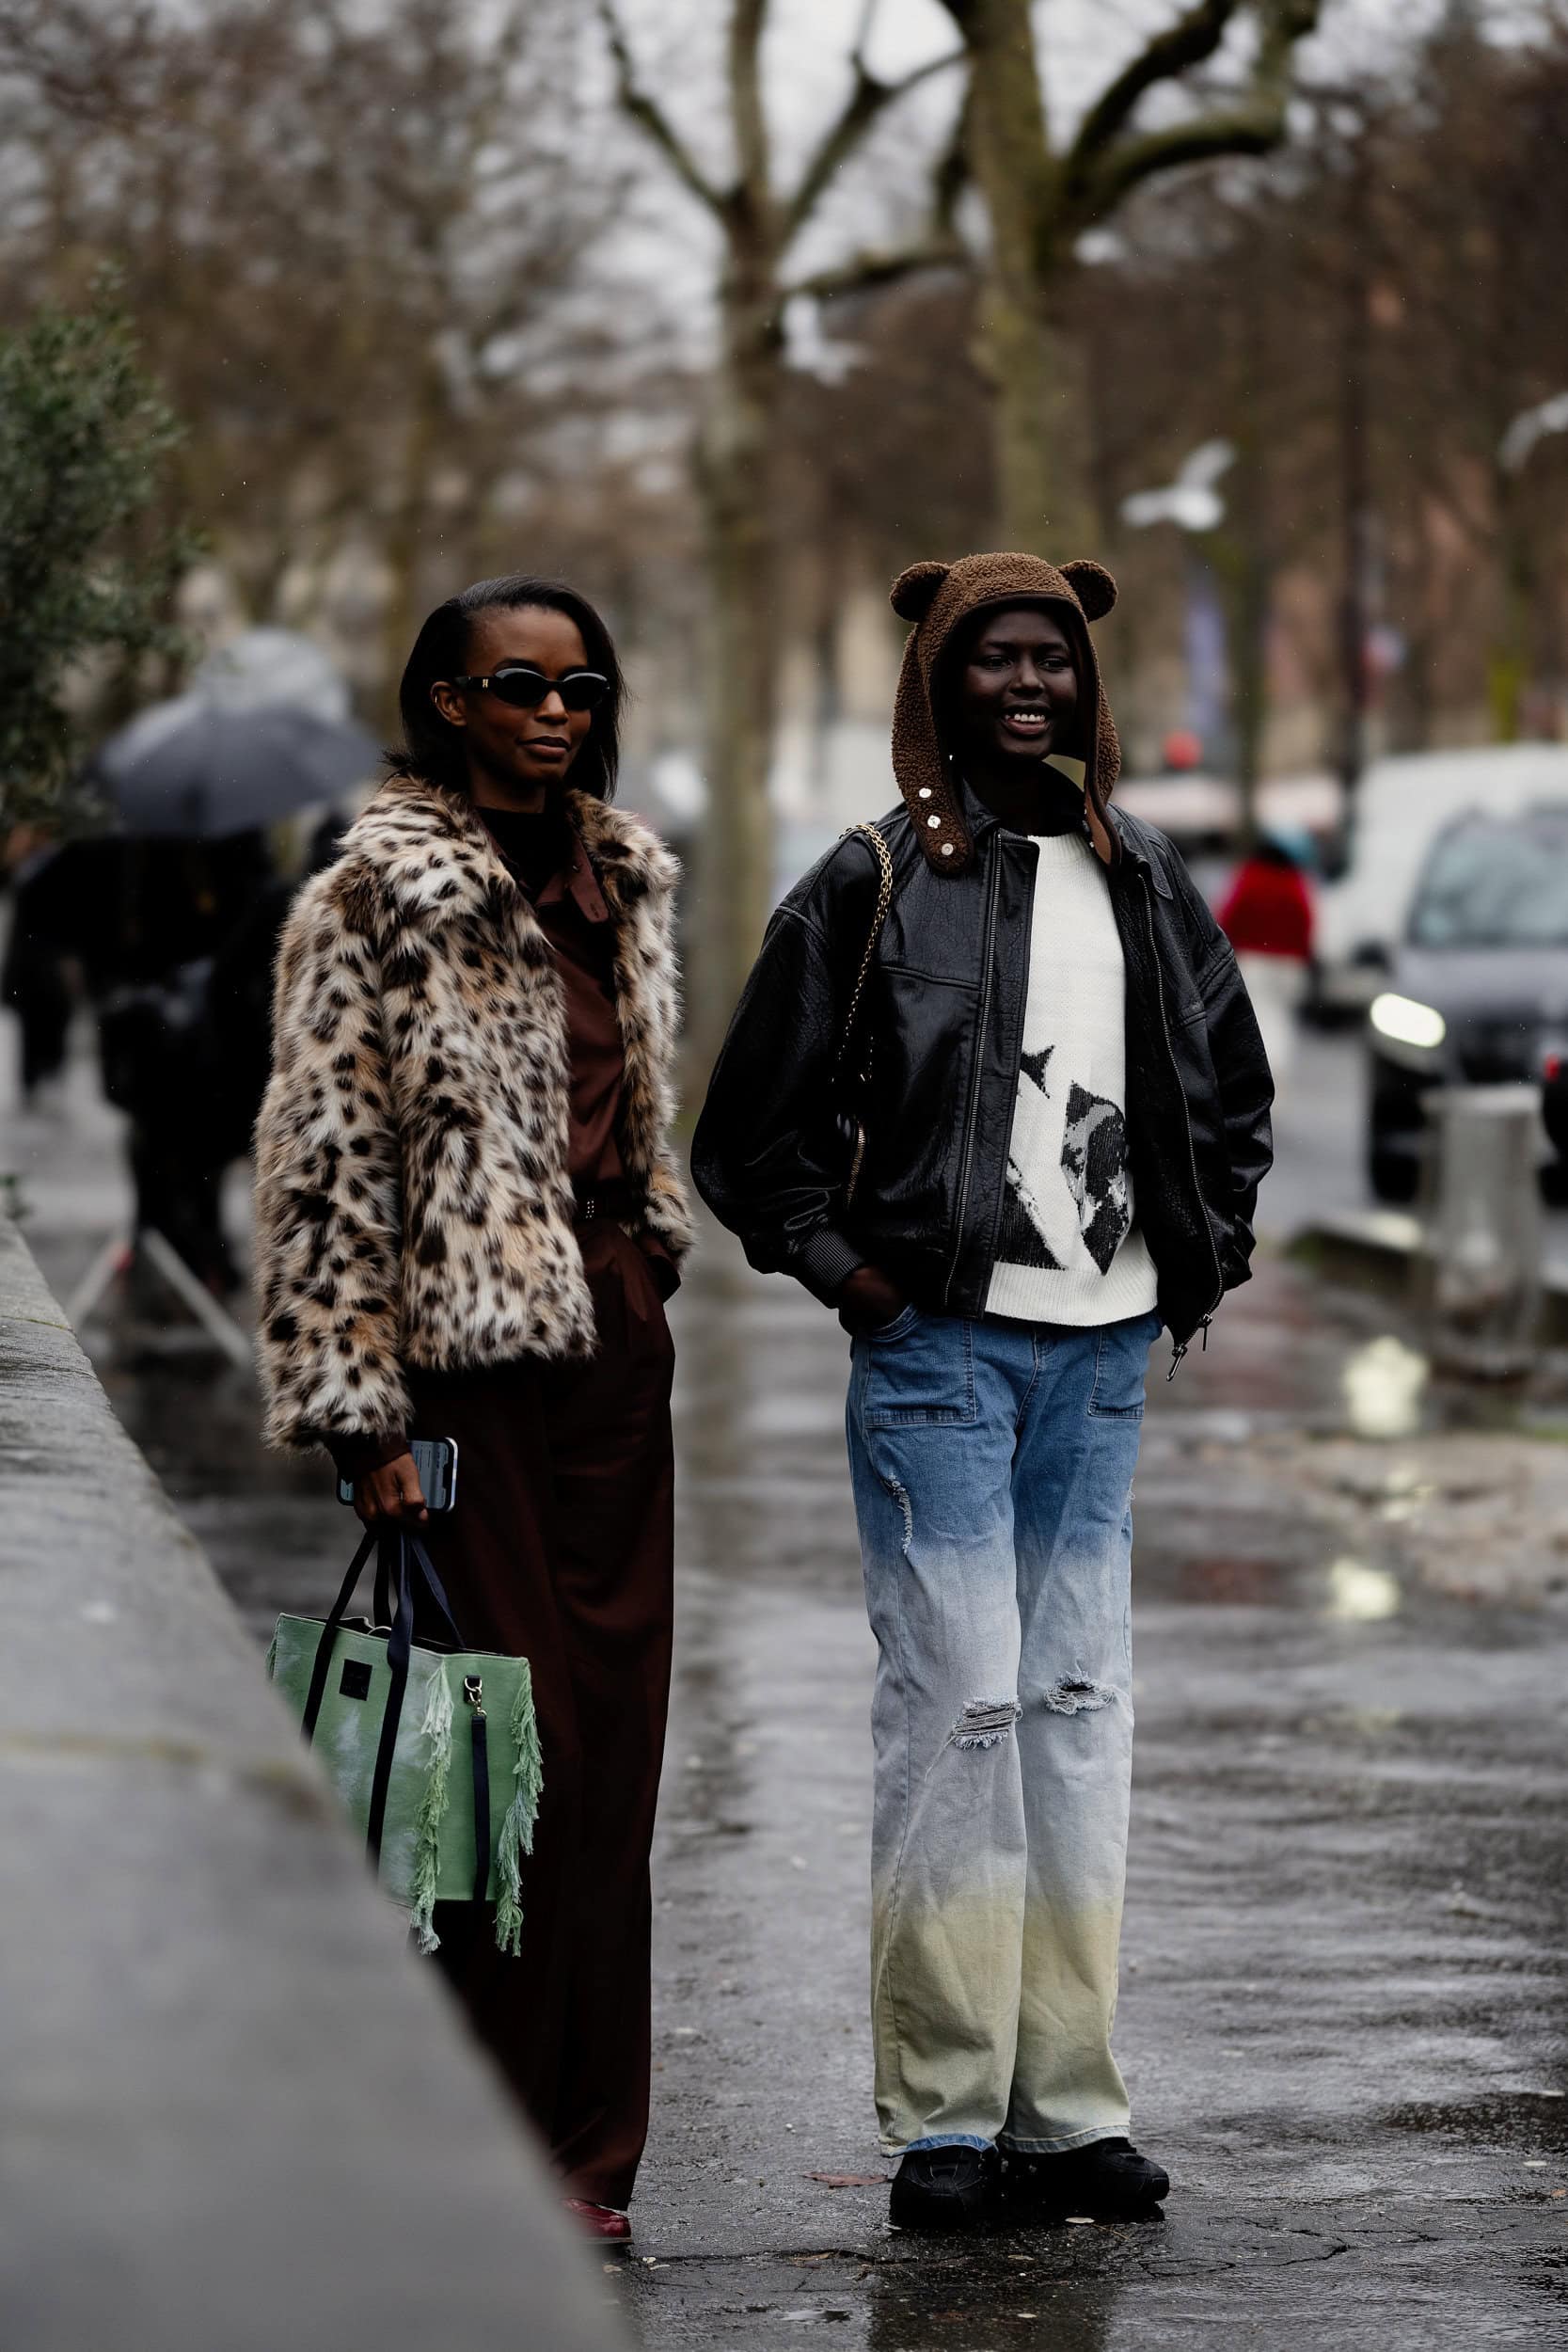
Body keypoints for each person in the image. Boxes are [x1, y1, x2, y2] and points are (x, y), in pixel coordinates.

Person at [692, 552, 1274, 2234]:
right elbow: (748, 1135)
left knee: (1082, 1715)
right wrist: (847, 1274)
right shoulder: (870, 881)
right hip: (938, 1351)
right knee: (960, 1709)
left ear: (1088, 688)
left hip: (1102, 1363)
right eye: (993, 660)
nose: (1029, 684)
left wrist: (1196, 1260)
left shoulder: (1143, 877)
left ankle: (1067, 2109)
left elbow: (1225, 1085)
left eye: (1055, 661)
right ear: (937, 682)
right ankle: (946, 2119)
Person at [253, 573, 693, 2242]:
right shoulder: (370, 898)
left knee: (618, 1771)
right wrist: (360, 1418)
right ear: (446, 698)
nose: (559, 710)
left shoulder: (620, 878)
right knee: (511, 1756)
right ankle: (485, 2130)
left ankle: (597, 2152)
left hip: (613, 1368)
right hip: (460, 1387)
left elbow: (635, 1107)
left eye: (584, 682)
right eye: (522, 683)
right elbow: (323, 1165)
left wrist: (646, 1253)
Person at [1217, 830, 1315, 1100]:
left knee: (1256, 1021)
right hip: (1290, 965)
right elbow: (1307, 923)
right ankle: (1276, 1081)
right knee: (1281, 1022)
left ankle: (1253, 1080)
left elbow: (1229, 916)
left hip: (1254, 961)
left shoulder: (1250, 877)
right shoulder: (1295, 882)